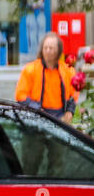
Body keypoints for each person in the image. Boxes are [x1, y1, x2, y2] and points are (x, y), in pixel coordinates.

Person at [15, 32, 80, 174]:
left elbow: (74, 93)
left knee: (57, 164)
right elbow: (20, 95)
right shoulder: (30, 69)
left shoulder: (68, 70)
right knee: (30, 164)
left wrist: (69, 111)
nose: (48, 51)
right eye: (46, 47)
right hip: (35, 120)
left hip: (59, 121)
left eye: (52, 48)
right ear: (41, 49)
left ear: (58, 51)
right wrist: (38, 110)